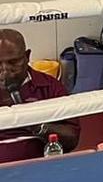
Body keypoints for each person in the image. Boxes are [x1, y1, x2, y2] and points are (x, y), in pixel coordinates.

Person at [0, 29, 80, 164]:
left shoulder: (49, 86)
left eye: (13, 62)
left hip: (41, 167)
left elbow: (72, 138)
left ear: (27, 56)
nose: (5, 70)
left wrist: (37, 124)